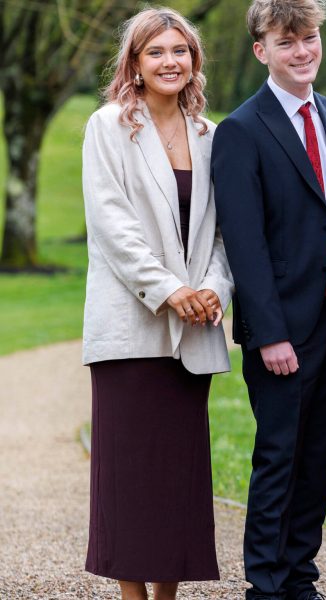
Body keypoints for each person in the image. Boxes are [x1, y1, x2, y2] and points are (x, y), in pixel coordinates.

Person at [210, 0, 326, 597]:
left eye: (309, 38)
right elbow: (244, 244)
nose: (302, 51)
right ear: (261, 50)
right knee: (279, 453)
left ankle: (300, 573)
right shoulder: (242, 130)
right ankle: (267, 582)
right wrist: (269, 332)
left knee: (319, 450)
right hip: (281, 325)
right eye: (287, 41)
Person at [81, 7, 233, 600]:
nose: (170, 61)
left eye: (180, 51)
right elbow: (113, 226)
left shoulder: (211, 134)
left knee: (176, 477)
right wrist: (171, 291)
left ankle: (168, 596)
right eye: (156, 52)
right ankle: (131, 596)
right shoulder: (109, 126)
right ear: (135, 65)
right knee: (128, 474)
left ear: (194, 59)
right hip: (131, 329)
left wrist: (212, 291)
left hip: (193, 332)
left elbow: (224, 232)